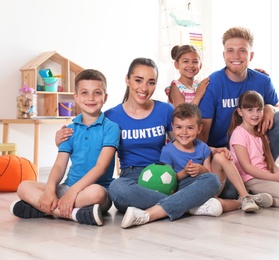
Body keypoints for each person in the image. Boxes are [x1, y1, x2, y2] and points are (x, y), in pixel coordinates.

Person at [57, 58, 222, 228]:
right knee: (116, 188)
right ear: (127, 80)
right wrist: (62, 137)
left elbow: (183, 141)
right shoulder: (111, 116)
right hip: (132, 180)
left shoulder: (165, 111)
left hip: (167, 176)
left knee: (212, 180)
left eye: (151, 82)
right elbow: (88, 135)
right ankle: (189, 205)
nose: (144, 88)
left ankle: (159, 210)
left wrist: (212, 150)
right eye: (138, 80)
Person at [10, 69, 120, 226]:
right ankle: (74, 214)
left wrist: (73, 192)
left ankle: (43, 208)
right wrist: (49, 191)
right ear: (76, 97)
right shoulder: (69, 129)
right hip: (66, 188)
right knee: (23, 186)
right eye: (84, 93)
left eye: (97, 93)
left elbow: (101, 167)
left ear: (105, 97)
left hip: (93, 192)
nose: (90, 98)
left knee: (97, 194)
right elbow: (60, 165)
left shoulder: (111, 128)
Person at [198, 26, 279, 199]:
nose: (236, 56)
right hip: (223, 152)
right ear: (224, 55)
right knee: (230, 192)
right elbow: (202, 134)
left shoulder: (262, 80)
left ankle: (262, 172)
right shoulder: (214, 84)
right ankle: (245, 183)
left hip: (251, 149)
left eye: (242, 51)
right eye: (230, 51)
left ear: (251, 55)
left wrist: (271, 108)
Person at [160, 103, 273, 214]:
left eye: (190, 128)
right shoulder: (167, 151)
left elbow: (210, 176)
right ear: (173, 127)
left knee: (221, 156)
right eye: (179, 127)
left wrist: (201, 170)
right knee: (216, 204)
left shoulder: (202, 147)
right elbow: (169, 181)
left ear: (199, 129)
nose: (184, 132)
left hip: (208, 187)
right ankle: (242, 202)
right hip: (186, 192)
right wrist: (185, 172)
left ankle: (244, 195)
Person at [228, 90, 279, 207]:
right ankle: (256, 199)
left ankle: (261, 197)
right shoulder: (239, 134)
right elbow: (247, 168)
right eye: (250, 110)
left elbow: (269, 160)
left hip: (266, 175)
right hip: (250, 179)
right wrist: (274, 177)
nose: (255, 114)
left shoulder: (261, 133)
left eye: (259, 109)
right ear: (240, 112)